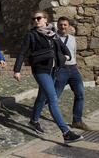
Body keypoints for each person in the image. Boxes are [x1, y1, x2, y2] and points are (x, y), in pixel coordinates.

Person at [13, 10, 83, 144]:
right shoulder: (31, 35)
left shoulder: (53, 34)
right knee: (52, 98)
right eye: (33, 19)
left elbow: (63, 48)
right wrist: (17, 70)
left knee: (42, 96)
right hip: (40, 70)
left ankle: (33, 121)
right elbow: (22, 52)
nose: (36, 21)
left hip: (53, 70)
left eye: (38, 18)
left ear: (46, 19)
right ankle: (66, 132)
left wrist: (66, 57)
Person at [31, 16, 91, 131]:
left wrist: (76, 68)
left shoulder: (72, 38)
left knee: (80, 94)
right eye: (60, 25)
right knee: (52, 97)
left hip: (73, 70)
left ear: (68, 26)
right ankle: (35, 115)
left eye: (65, 25)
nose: (62, 27)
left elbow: (73, 54)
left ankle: (77, 121)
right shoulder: (52, 37)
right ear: (57, 25)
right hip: (60, 70)